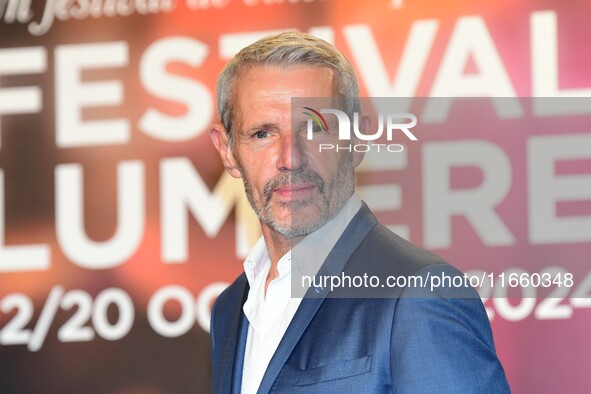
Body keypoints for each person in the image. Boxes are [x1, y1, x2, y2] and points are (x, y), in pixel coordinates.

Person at [208, 31, 510, 393]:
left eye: (316, 128)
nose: (290, 158)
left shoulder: (420, 293)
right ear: (227, 151)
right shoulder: (230, 308)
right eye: (262, 134)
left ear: (358, 141)